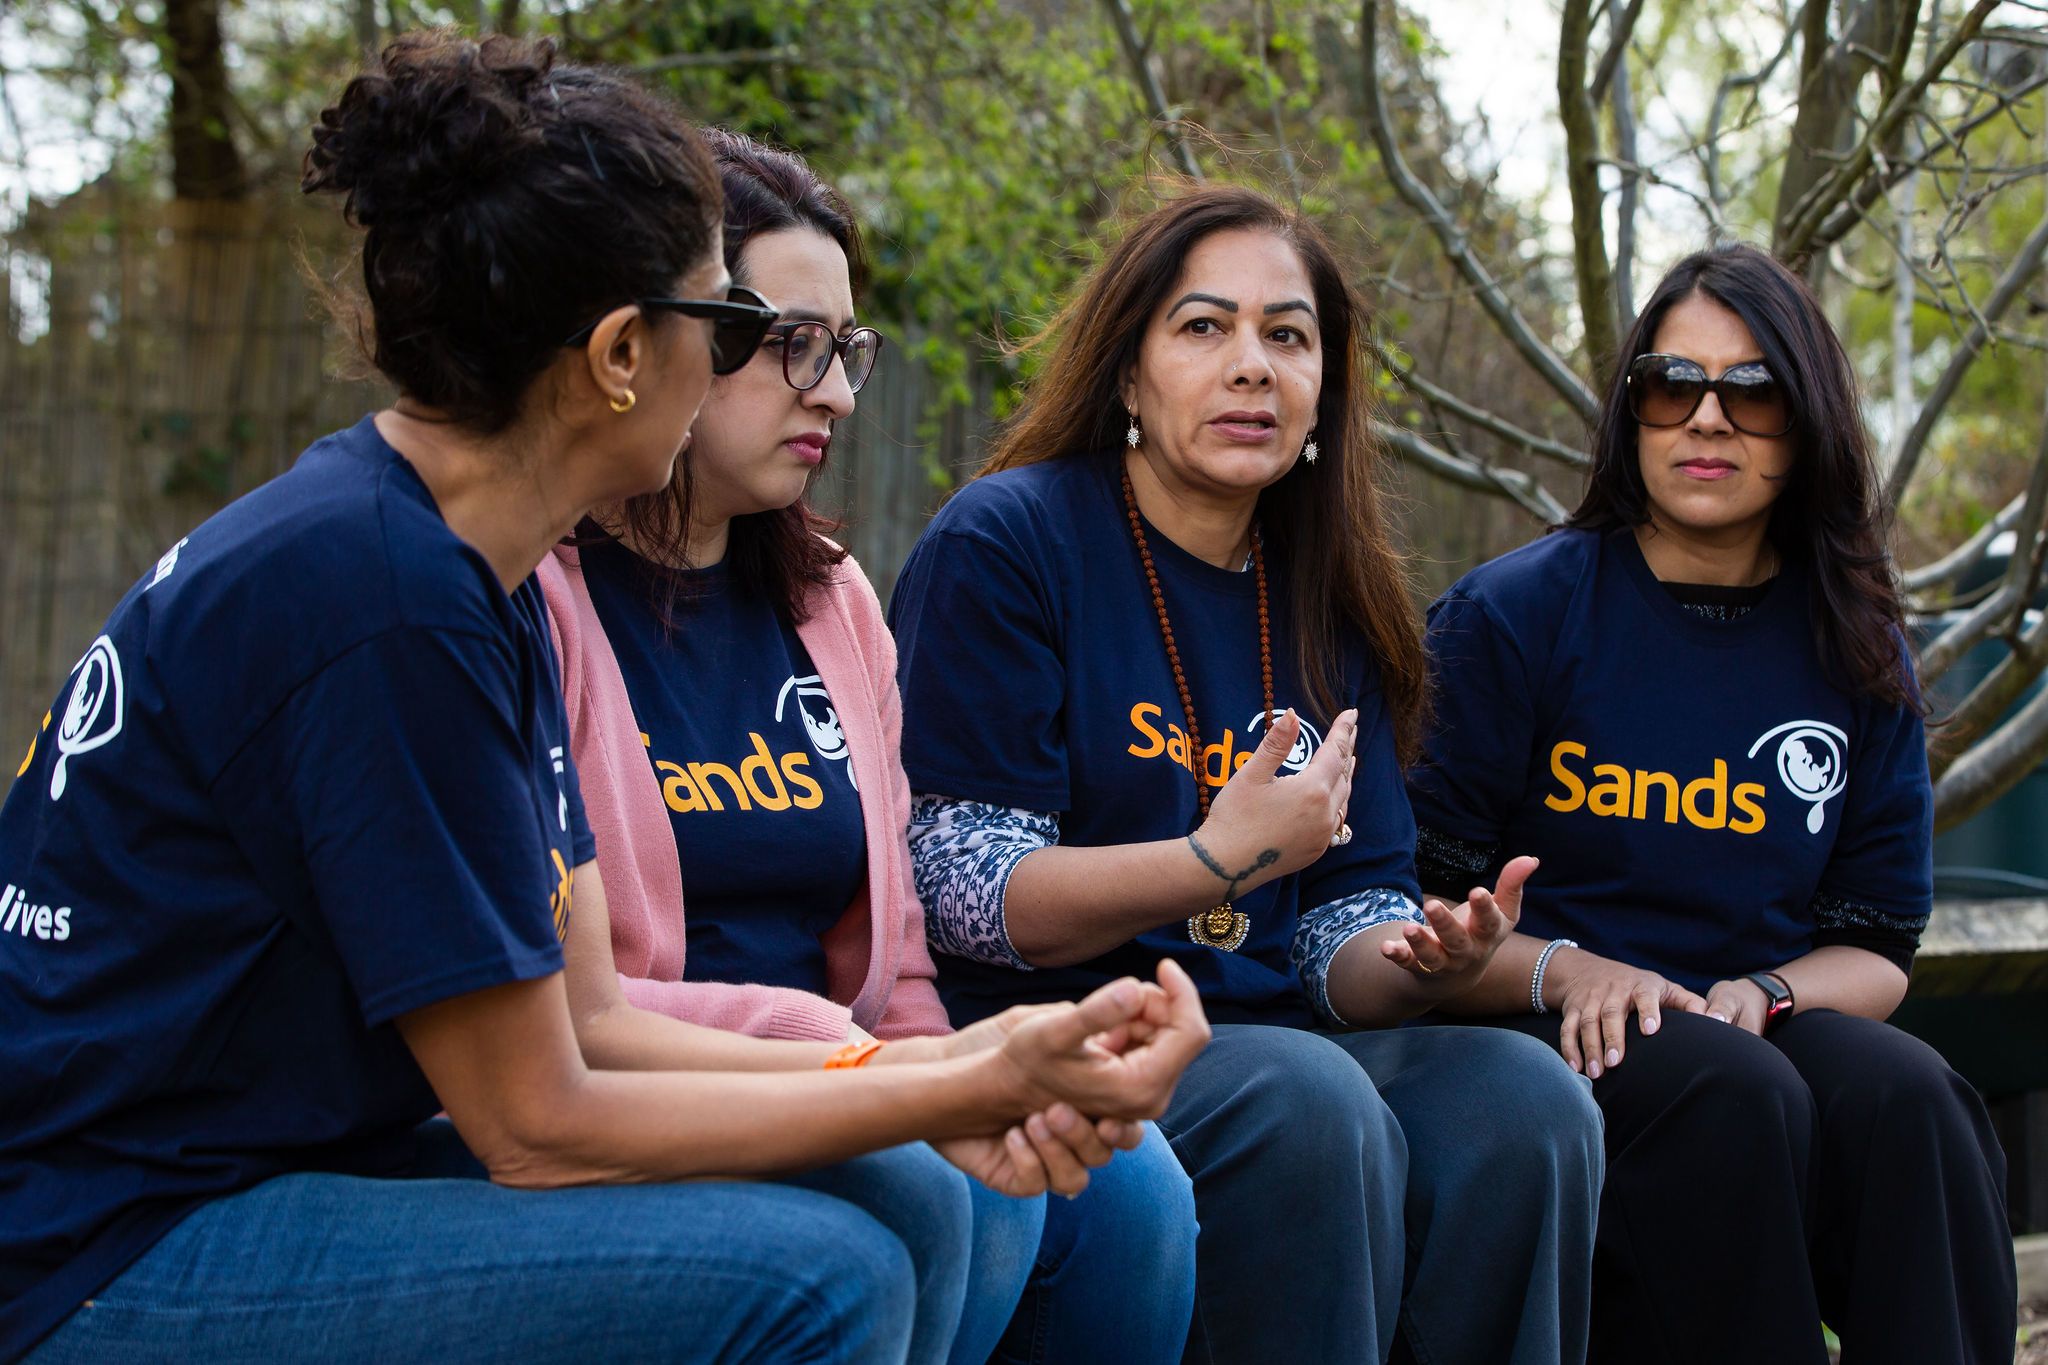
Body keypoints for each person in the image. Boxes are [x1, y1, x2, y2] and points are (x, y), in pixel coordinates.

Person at [0, 33, 1208, 1365]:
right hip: (109, 1238)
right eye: (736, 326)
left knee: (898, 1192)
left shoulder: (477, 572)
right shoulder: (385, 602)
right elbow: (538, 1119)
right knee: (821, 1281)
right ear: (625, 352)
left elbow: (592, 1018)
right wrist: (958, 1082)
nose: (796, 379)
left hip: (260, 1161)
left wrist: (941, 1076)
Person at [888, 183, 1603, 1365]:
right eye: (1203, 327)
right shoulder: (1008, 542)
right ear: (1126, 373)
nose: (1250, 367)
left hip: (1275, 1030)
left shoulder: (1328, 597)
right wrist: (1212, 860)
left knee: (1523, 1106)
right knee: (1304, 1103)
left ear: (1325, 387)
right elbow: (963, 888)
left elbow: (1340, 929)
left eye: (1286, 336)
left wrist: (1427, 960)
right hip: (1060, 1028)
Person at [535, 128, 1198, 1365]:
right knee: (941, 1180)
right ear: (662, 335)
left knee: (1135, 1187)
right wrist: (871, 1071)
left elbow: (893, 968)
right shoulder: (540, 601)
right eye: (792, 345)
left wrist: (941, 1065)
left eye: (844, 351)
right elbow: (578, 1013)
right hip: (664, 1087)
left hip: (844, 1069)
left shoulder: (833, 604)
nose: (834, 392)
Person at [1405, 242, 2017, 1364]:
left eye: (1753, 392)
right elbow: (1414, 918)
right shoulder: (1513, 618)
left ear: (1808, 423)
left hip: (1749, 1020)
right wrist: (1563, 967)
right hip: (1546, 1024)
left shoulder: (1856, 647)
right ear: (1631, 412)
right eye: (1670, 384)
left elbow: (1877, 945)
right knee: (1735, 1097)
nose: (1705, 419)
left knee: (1914, 1102)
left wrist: (1765, 993)